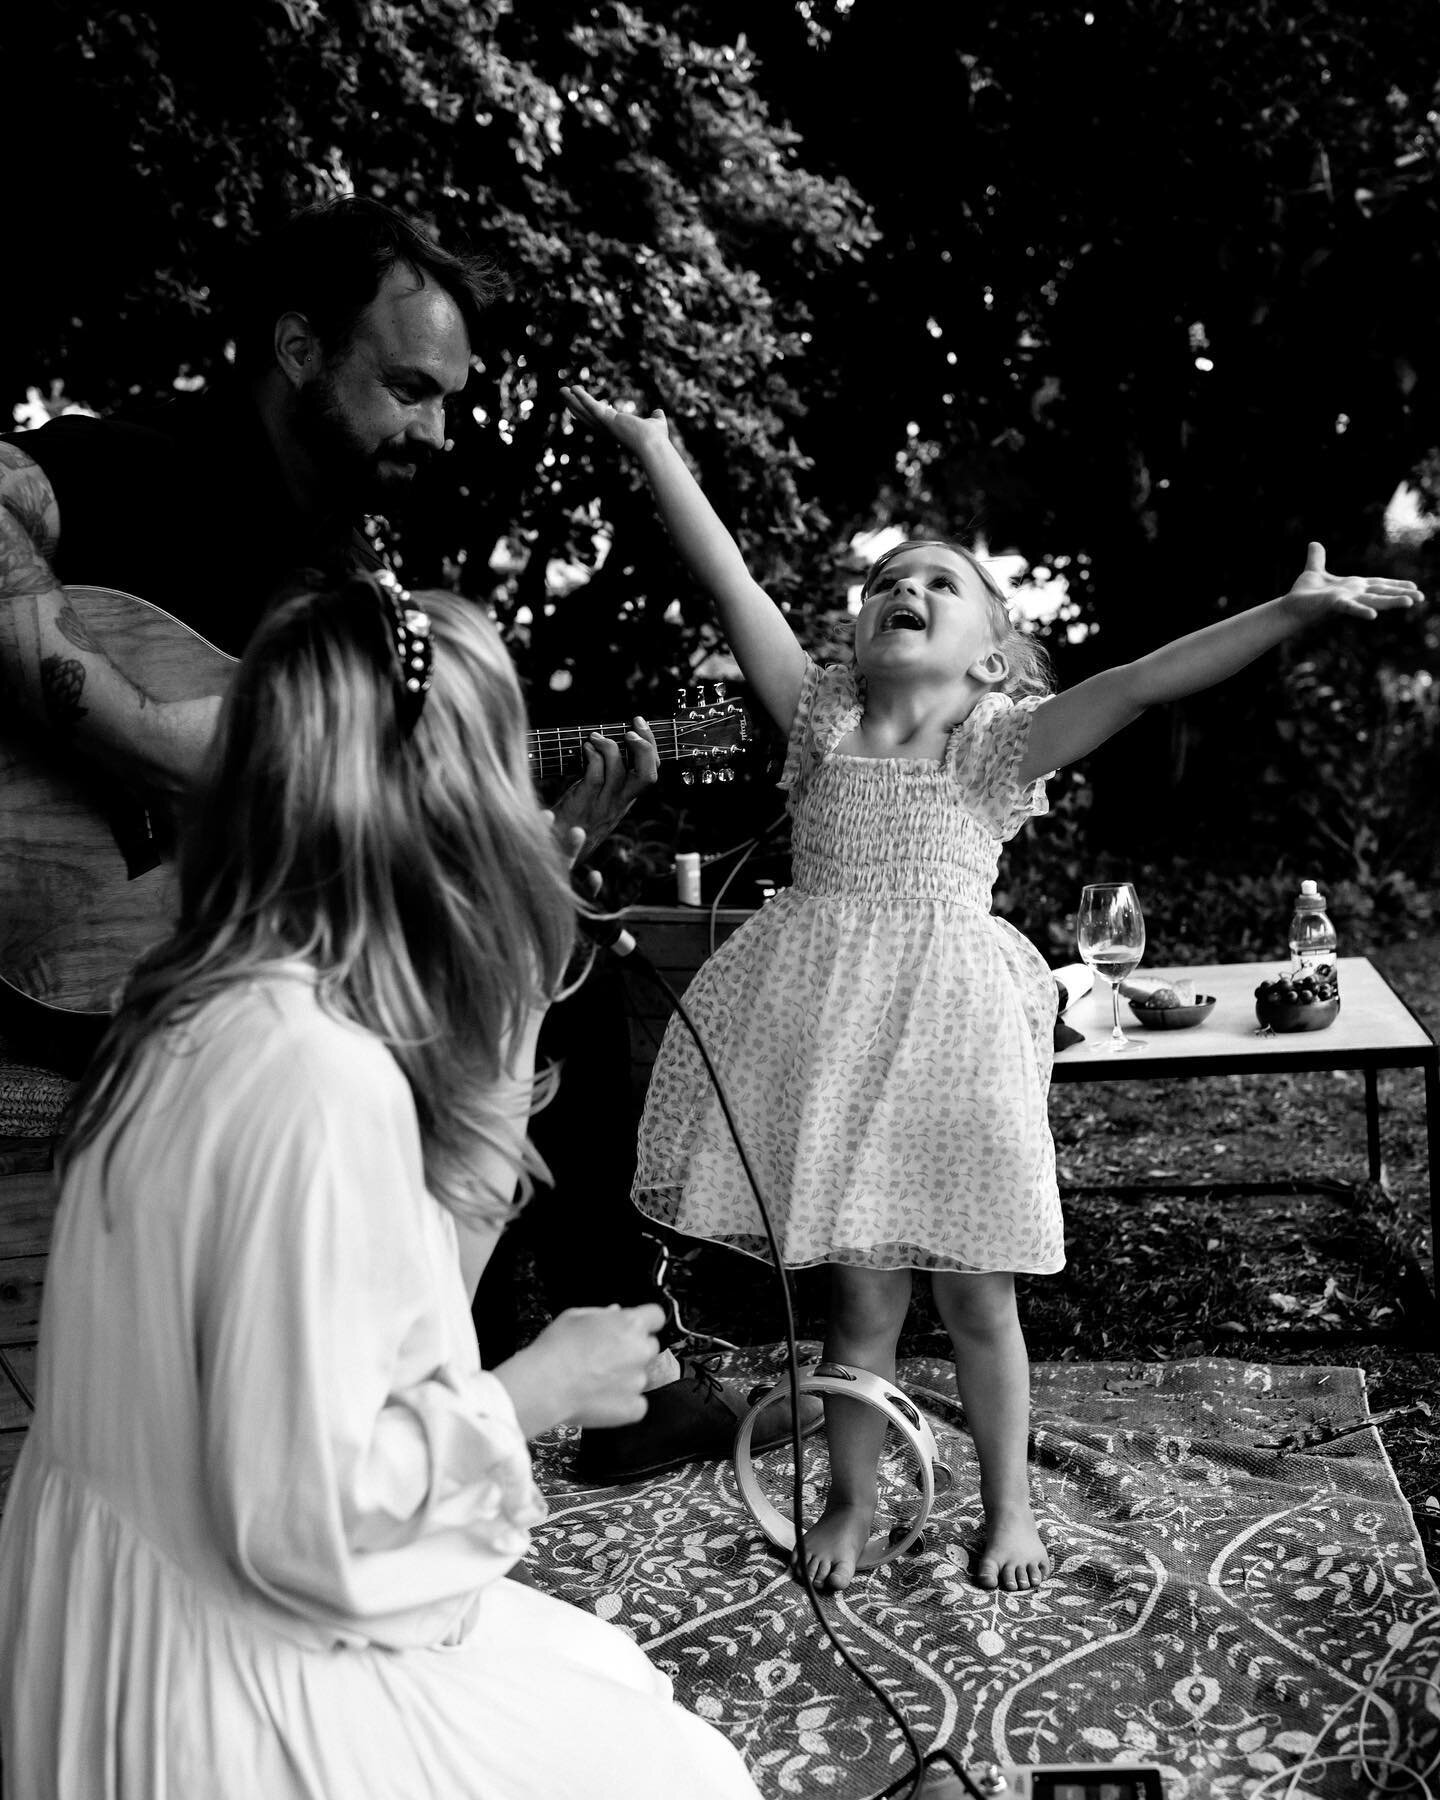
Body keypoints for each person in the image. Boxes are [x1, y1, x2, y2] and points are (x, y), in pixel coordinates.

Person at [562, 380, 1422, 1596]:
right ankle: (854, 1500)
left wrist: (1286, 613)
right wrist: (656, 450)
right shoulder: (817, 719)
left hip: (956, 1045)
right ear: (855, 635)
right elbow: (733, 585)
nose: (902, 592)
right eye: (881, 586)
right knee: (864, 1304)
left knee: (977, 1299)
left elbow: (1143, 678)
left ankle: (1009, 1507)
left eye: (939, 582)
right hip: (840, 1043)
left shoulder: (997, 743)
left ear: (992, 657)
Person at [0, 194, 812, 1476]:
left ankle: (496, 1375)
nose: (435, 428)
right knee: (497, 980)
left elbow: (353, 828)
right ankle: (471, 1399)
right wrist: (141, 730)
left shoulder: (340, 563)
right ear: (298, 348)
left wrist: (525, 846)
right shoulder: (145, 463)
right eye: (408, 388)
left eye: (447, 399)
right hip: (108, 946)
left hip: (240, 945)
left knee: (563, 947)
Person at [0, 571, 763, 1799]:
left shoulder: (188, 1002)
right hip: (216, 1692)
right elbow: (313, 1522)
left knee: (600, 1672)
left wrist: (515, 983)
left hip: (105, 1617)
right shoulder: (314, 1074)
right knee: (685, 1770)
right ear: (449, 804)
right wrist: (539, 1387)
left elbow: (406, 1324)